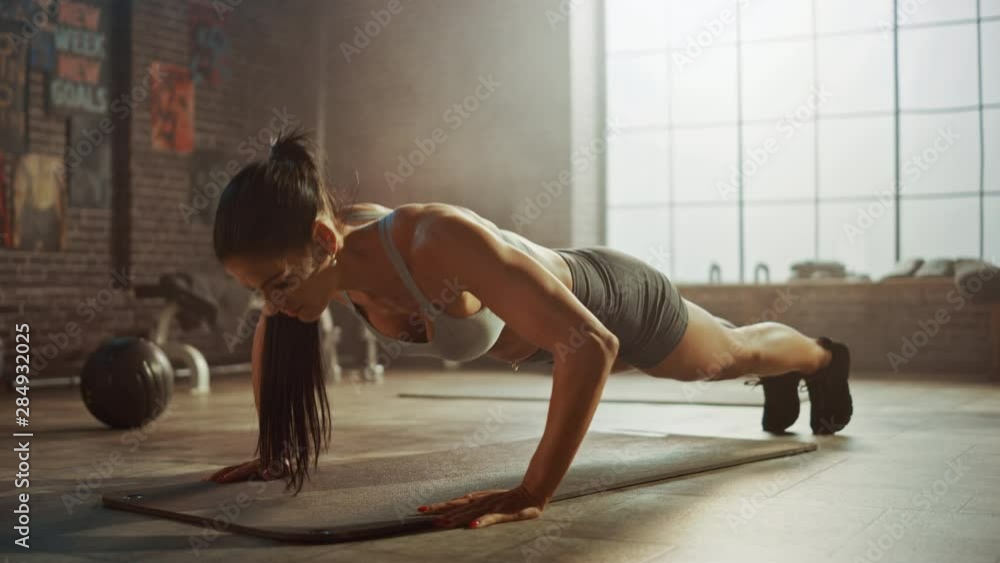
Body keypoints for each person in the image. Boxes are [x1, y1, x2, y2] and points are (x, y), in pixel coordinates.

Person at [205, 131, 852, 529]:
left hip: (613, 304)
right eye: (254, 289)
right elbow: (272, 333)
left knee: (728, 355)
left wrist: (533, 490)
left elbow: (593, 343)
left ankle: (821, 358)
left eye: (276, 285)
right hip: (550, 340)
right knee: (728, 354)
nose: (269, 304)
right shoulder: (322, 261)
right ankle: (791, 370)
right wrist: (274, 448)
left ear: (323, 239)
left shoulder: (433, 239)